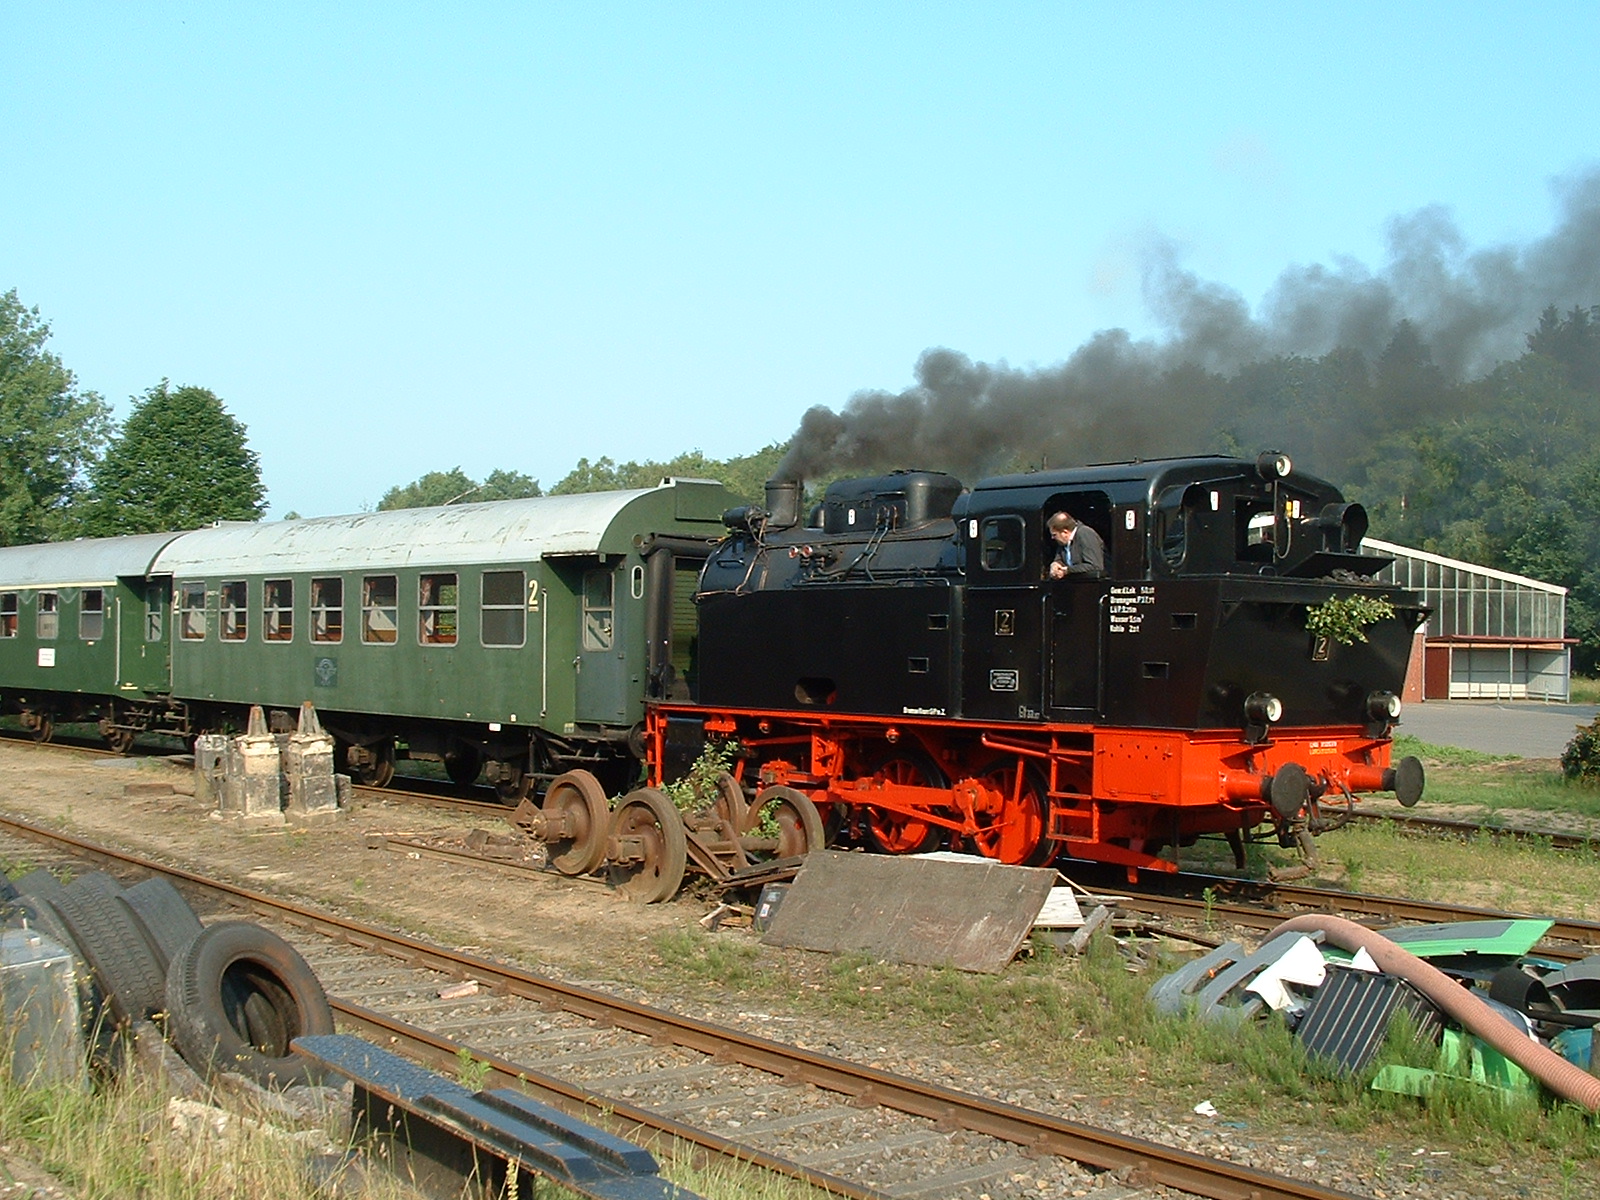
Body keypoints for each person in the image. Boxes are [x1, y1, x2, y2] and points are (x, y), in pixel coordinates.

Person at [1047, 511, 1105, 579]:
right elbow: (1059, 558)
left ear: (1065, 532)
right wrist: (1055, 564)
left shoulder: (1085, 534)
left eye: (1054, 534)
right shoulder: (1063, 541)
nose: (1052, 538)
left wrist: (1067, 570)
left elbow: (1095, 566)